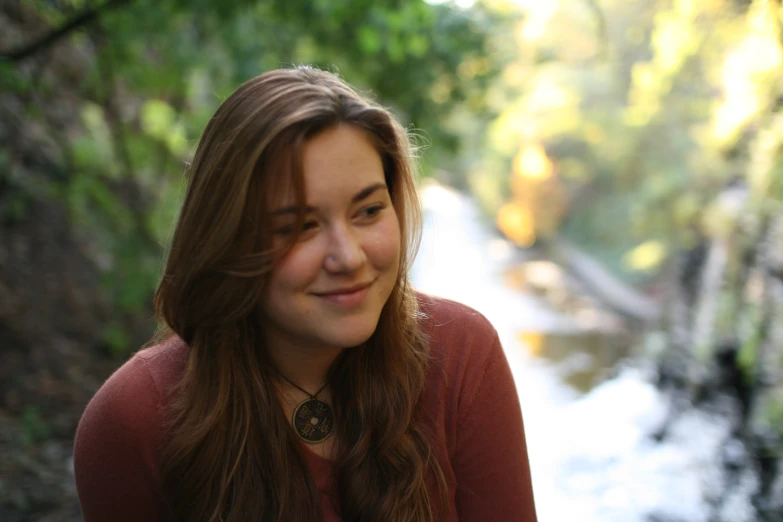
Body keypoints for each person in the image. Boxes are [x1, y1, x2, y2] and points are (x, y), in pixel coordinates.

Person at [73, 67, 537, 522]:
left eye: (369, 210)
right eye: (300, 226)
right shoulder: (133, 420)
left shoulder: (462, 356)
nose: (349, 257)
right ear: (227, 238)